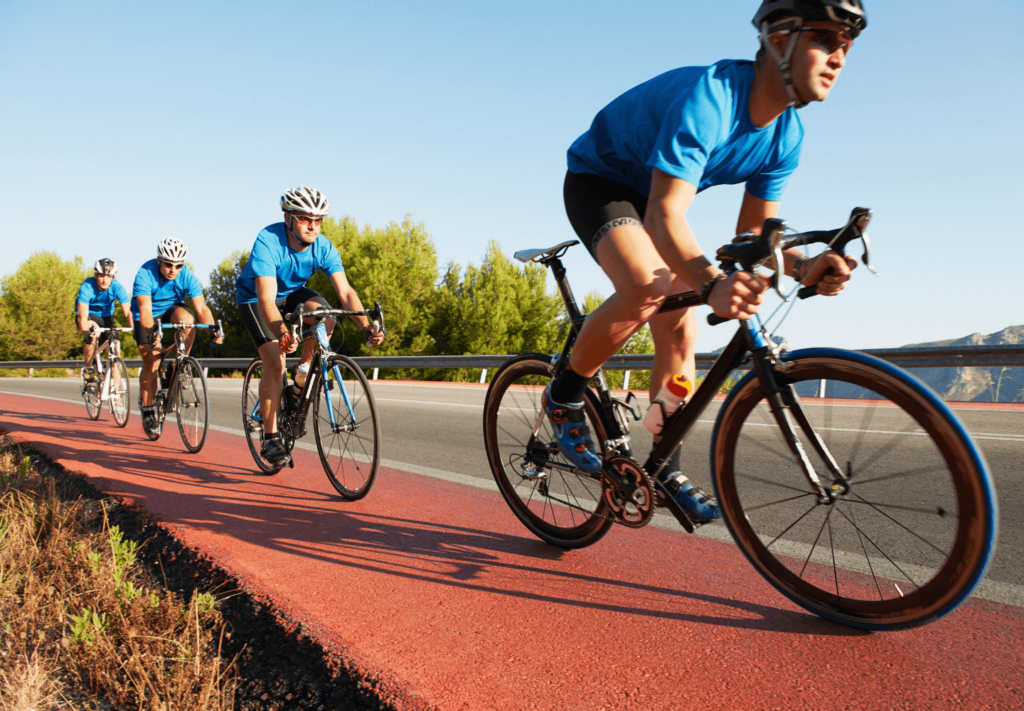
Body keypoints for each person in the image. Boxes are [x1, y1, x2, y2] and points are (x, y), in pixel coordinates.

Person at [548, 0, 867, 522]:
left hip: (652, 199)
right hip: (600, 181)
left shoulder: (787, 135)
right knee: (646, 286)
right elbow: (664, 214)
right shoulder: (712, 97)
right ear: (779, 39)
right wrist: (713, 281)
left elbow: (752, 235)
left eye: (847, 46)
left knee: (681, 333)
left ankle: (663, 464)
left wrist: (804, 264)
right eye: (827, 40)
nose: (840, 58)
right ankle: (564, 395)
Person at [235, 186, 386, 467]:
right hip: (256, 299)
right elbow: (267, 299)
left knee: (327, 315)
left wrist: (367, 327)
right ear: (289, 218)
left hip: (292, 293)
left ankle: (303, 374)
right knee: (275, 362)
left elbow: (346, 292)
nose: (313, 226)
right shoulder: (269, 240)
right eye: (306, 219)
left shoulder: (323, 246)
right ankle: (271, 439)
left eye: (318, 220)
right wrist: (282, 333)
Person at [131, 237, 223, 437]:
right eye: (168, 265)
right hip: (147, 315)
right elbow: (145, 310)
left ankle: (180, 363)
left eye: (178, 265)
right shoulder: (145, 273)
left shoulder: (187, 276)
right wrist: (151, 333)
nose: (173, 269)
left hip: (171, 309)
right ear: (159, 261)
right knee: (152, 361)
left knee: (187, 319)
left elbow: (201, 308)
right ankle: (147, 412)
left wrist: (212, 331)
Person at [75, 258, 133, 377]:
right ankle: (88, 368)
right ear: (96, 275)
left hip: (107, 317)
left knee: (115, 350)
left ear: (113, 277)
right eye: (101, 275)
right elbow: (82, 315)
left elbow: (128, 312)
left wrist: (136, 330)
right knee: (93, 333)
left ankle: (116, 393)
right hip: (89, 316)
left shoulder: (117, 287)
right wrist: (87, 334)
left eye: (108, 276)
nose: (104, 280)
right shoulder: (87, 286)